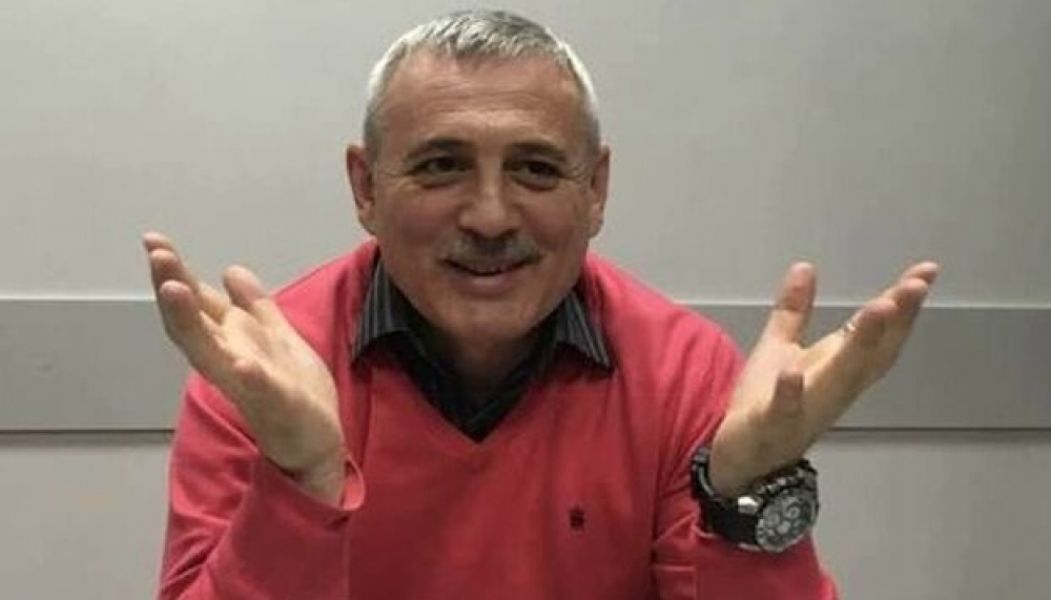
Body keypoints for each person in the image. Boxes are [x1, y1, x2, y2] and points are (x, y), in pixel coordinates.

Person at [146, 10, 937, 600]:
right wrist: (300, 477)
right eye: (441, 165)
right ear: (365, 188)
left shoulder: (679, 370)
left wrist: (745, 490)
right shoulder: (269, 375)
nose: (490, 216)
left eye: (535, 169)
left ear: (595, 190)